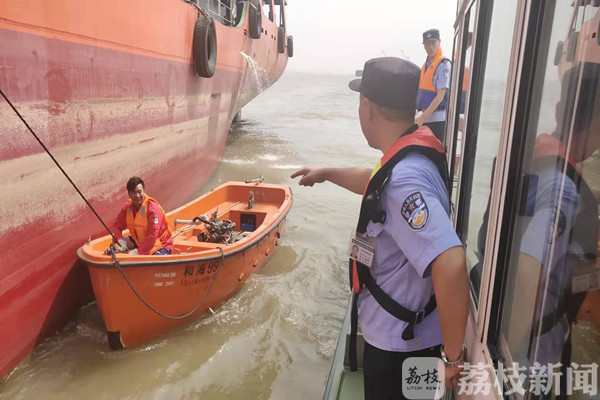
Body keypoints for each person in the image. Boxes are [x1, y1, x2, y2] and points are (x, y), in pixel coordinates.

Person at [291, 57, 469, 399]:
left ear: (366, 107)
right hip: (402, 340)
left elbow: (452, 262)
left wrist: (452, 356)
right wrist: (327, 172)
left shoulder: (405, 180)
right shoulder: (409, 151)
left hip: (401, 351)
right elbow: (376, 184)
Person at [111, 176, 174, 255]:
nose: (137, 195)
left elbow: (152, 236)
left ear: (144, 191)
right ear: (129, 194)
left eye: (139, 192)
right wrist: (120, 241)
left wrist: (137, 252)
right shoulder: (127, 208)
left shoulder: (152, 209)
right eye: (134, 192)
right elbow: (116, 226)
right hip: (140, 242)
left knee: (152, 263)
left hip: (161, 245)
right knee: (117, 240)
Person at [415, 29, 451, 142]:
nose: (430, 47)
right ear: (424, 46)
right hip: (425, 120)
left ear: (439, 42)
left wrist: (422, 117)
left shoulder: (444, 65)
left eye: (433, 43)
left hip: (438, 121)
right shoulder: (425, 66)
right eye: (427, 44)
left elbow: (440, 96)